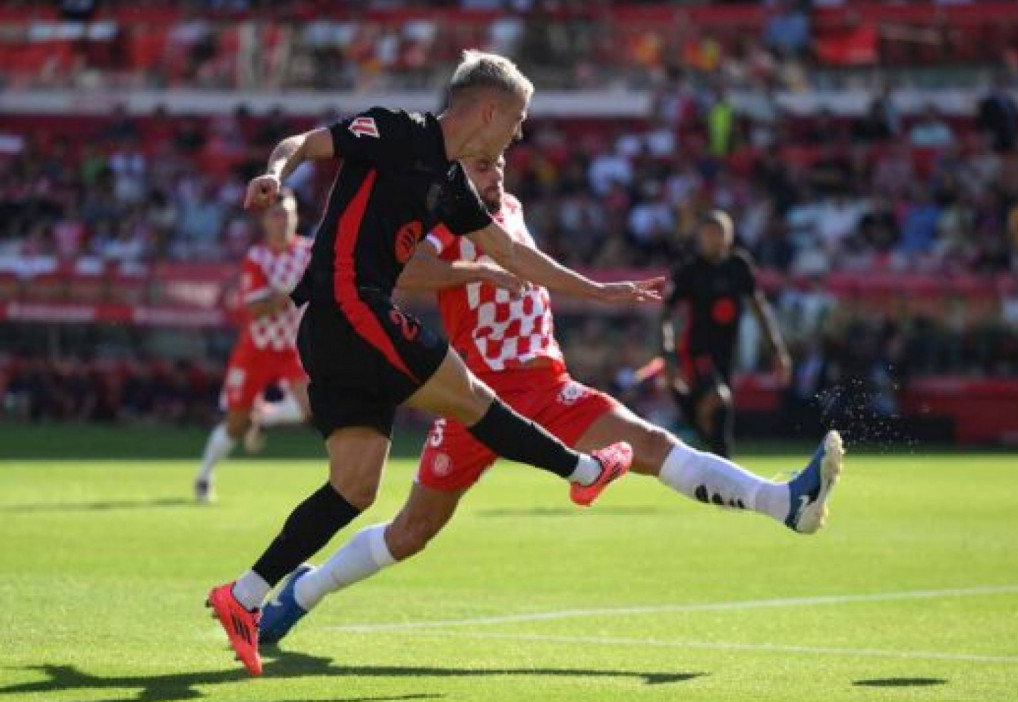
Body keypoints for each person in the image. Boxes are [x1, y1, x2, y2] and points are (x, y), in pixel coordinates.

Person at [254, 155, 844, 646]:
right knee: (412, 531)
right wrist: (475, 273)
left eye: (502, 163)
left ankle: (782, 502)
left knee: (652, 445)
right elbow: (403, 268)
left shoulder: (509, 210)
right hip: (474, 396)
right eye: (484, 164)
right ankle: (306, 590)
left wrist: (595, 290)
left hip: (547, 383)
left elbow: (534, 267)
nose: (498, 172)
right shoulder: (445, 213)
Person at [206, 51, 660, 677]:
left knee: (355, 487)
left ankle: (244, 596)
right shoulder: (397, 130)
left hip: (337, 334)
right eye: (518, 119)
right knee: (471, 396)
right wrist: (275, 173)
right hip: (347, 306)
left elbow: (514, 256)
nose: (519, 133)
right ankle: (583, 469)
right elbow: (301, 143)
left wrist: (600, 290)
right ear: (489, 109)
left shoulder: (451, 186)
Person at [194, 189, 312, 503]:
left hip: (292, 348)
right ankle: (204, 476)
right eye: (276, 214)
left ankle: (261, 418)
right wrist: (293, 292)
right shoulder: (256, 257)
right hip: (256, 349)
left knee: (309, 408)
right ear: (264, 221)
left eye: (287, 212)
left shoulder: (309, 252)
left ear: (296, 216)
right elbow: (257, 308)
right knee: (235, 424)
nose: (283, 219)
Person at [661, 210, 792, 458]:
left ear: (729, 236)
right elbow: (666, 316)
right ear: (699, 236)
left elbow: (759, 308)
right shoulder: (689, 271)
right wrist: (667, 352)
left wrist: (777, 350)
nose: (713, 238)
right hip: (696, 349)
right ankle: (695, 417)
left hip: (726, 352)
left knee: (721, 422)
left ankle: (722, 470)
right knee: (719, 397)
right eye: (708, 232)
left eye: (719, 232)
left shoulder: (738, 266)